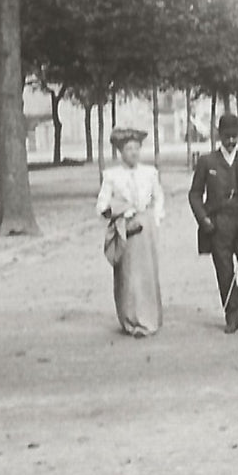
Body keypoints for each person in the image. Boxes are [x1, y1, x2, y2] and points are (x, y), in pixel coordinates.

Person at [188, 113, 238, 334]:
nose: (231, 141)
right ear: (218, 135)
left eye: (234, 137)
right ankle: (232, 314)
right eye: (226, 136)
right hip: (218, 223)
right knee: (225, 270)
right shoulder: (206, 162)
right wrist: (204, 219)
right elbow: (194, 195)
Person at [94, 128, 164, 338]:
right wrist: (118, 211)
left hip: (146, 228)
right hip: (125, 228)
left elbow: (156, 197)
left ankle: (149, 319)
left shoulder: (149, 174)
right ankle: (130, 320)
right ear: (120, 151)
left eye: (136, 148)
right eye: (128, 149)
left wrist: (155, 218)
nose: (133, 153)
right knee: (128, 277)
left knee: (147, 275)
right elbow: (102, 205)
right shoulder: (112, 176)